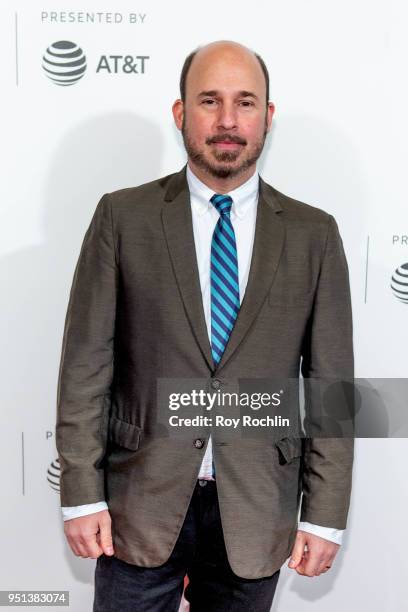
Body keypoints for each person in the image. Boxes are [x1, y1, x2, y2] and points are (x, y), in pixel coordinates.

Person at [56, 40, 354, 612]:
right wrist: (80, 498)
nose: (226, 121)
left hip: (257, 509)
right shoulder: (123, 217)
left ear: (267, 118)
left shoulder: (314, 235)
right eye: (208, 101)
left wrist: (325, 515)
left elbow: (330, 391)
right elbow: (85, 369)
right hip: (135, 507)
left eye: (245, 103)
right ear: (180, 113)